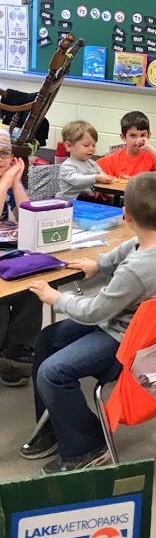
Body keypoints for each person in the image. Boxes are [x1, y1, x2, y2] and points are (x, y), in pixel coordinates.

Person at [22, 174, 156, 472]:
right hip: (149, 332)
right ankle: (54, 425)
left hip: (131, 342)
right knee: (48, 339)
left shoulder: (137, 271)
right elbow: (132, 246)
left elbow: (94, 311)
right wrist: (98, 264)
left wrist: (54, 298)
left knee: (53, 372)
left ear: (126, 215)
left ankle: (86, 447)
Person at [0, 128, 42, 387]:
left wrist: (15, 183)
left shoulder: (10, 178)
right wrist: (5, 182)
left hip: (6, 252)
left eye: (4, 153)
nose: (0, 160)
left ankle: (17, 350)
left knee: (32, 283)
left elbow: (28, 216)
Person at [98, 111, 156, 177]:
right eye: (133, 136)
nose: (138, 140)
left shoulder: (152, 155)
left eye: (143, 135)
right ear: (123, 137)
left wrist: (149, 148)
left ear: (149, 136)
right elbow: (106, 192)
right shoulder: (113, 159)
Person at [56, 120, 114, 201]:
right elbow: (76, 180)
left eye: (93, 145)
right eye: (86, 145)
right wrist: (96, 178)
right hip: (68, 203)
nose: (91, 149)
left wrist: (106, 178)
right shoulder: (67, 166)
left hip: (87, 201)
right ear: (69, 146)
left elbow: (100, 173)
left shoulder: (92, 163)